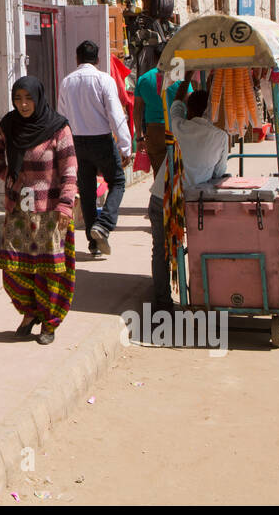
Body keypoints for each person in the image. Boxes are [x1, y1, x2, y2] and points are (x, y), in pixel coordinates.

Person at [0, 76, 78, 346]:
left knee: (49, 271)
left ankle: (49, 322)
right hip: (19, 210)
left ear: (38, 98)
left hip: (50, 212)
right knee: (14, 269)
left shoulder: (58, 128)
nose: (23, 104)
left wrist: (66, 204)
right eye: (18, 99)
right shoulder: (9, 125)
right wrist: (6, 175)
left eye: (28, 98)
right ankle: (30, 312)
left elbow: (70, 168)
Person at [147, 81, 230, 315]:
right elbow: (219, 173)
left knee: (161, 251)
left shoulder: (179, 125)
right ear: (210, 111)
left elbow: (176, 103)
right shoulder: (220, 136)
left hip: (162, 198)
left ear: (190, 110)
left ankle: (163, 303)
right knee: (200, 248)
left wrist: (187, 78)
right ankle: (200, 297)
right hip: (193, 203)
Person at [58, 40, 132, 258]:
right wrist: (125, 146)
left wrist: (63, 149)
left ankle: (94, 244)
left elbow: (62, 116)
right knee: (117, 181)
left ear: (77, 59)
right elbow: (116, 115)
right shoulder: (104, 80)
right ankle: (104, 224)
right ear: (98, 60)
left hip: (77, 142)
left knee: (87, 190)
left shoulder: (67, 82)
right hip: (101, 140)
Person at [133, 49, 182, 176]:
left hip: (154, 131)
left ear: (156, 59)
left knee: (159, 173)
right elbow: (189, 100)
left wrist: (139, 137)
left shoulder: (143, 79)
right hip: (177, 128)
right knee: (178, 172)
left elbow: (137, 110)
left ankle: (160, 190)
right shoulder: (178, 77)